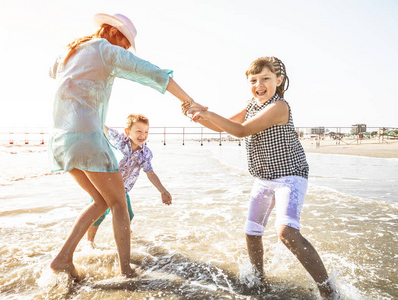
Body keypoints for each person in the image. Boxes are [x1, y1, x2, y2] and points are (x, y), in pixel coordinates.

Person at [48, 13, 194, 281]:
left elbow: (52, 72)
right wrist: (188, 100)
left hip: (60, 140)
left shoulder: (68, 52)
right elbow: (149, 71)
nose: (123, 50)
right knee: (118, 205)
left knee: (101, 201)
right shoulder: (105, 49)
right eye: (124, 45)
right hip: (87, 138)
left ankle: (63, 258)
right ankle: (126, 270)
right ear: (114, 34)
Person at [183, 57, 337, 299]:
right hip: (263, 178)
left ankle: (328, 291)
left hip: (290, 176)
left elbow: (241, 130)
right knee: (252, 232)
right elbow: (223, 127)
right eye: (253, 80)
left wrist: (208, 112)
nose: (259, 84)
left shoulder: (279, 107)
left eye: (265, 78)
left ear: (279, 80)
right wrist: (199, 114)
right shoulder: (252, 105)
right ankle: (259, 281)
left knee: (286, 232)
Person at [86, 114, 172, 247]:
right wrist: (91, 115)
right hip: (103, 185)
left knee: (128, 215)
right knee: (98, 214)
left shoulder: (145, 153)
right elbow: (103, 128)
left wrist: (162, 190)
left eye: (146, 132)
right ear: (128, 132)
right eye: (139, 131)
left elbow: (150, 173)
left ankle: (126, 235)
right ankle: (89, 242)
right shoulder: (119, 140)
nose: (143, 135)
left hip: (122, 190)